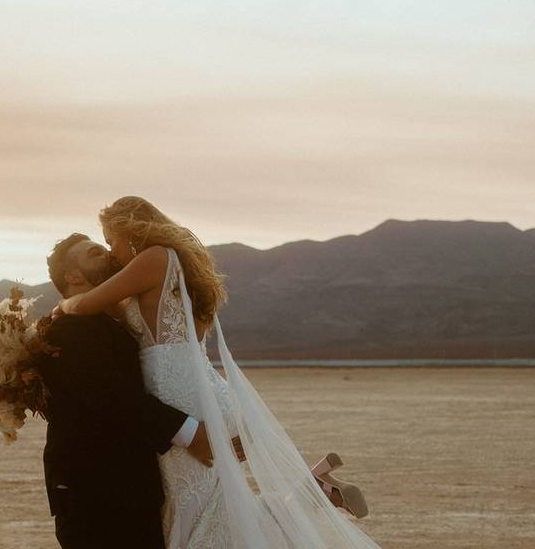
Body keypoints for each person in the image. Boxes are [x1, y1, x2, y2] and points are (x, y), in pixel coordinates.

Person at [56, 196, 378, 549]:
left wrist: (62, 305)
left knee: (197, 518)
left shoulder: (154, 258)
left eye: (109, 240)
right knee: (215, 509)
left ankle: (311, 495)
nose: (112, 252)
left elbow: (86, 304)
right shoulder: (170, 275)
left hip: (179, 396)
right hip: (201, 391)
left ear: (128, 228)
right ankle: (312, 492)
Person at [38, 232, 218, 549]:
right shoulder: (68, 331)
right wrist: (191, 433)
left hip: (127, 493)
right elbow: (113, 400)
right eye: (95, 252)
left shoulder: (109, 323)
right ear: (74, 276)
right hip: (94, 498)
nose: (108, 254)